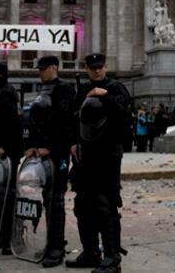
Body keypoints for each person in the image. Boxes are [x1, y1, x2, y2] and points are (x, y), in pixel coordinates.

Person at [67, 53, 132, 273]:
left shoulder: (116, 88)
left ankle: (112, 257)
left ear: (105, 67)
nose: (97, 71)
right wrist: (72, 143)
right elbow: (74, 119)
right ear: (87, 69)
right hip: (85, 155)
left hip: (107, 154)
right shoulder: (82, 90)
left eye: (100, 67)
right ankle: (90, 252)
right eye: (92, 67)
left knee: (106, 205)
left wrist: (106, 97)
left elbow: (125, 115)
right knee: (83, 205)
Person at [25, 55, 77, 268]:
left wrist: (51, 147)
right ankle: (52, 243)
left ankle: (56, 248)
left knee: (55, 199)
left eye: (43, 68)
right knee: (47, 198)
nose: (39, 72)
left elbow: (63, 122)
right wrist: (31, 145)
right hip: (42, 153)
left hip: (58, 154)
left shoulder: (63, 89)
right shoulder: (42, 89)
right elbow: (37, 122)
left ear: (54, 68)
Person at [0, 61, 23, 255]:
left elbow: (9, 123)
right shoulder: (0, 92)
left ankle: (9, 238)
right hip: (1, 151)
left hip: (6, 153)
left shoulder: (5, 93)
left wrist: (2, 146)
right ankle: (2, 235)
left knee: (6, 195)